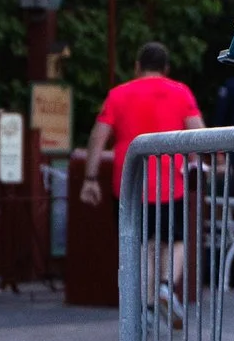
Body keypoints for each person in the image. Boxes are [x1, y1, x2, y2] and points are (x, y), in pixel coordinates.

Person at [78, 43, 204, 312]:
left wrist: (90, 177)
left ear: (137, 66)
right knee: (176, 239)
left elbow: (98, 136)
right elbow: (197, 134)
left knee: (142, 244)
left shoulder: (118, 94)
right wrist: (199, 164)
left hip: (130, 182)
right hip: (172, 182)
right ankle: (166, 285)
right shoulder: (181, 92)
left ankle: (146, 307)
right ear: (166, 68)